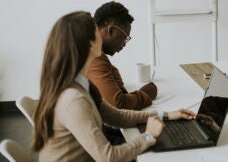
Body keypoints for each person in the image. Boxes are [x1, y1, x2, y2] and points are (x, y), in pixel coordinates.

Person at [32, 11, 196, 161]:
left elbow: (118, 117)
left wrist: (166, 114)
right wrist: (148, 136)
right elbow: (108, 157)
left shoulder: (80, 83)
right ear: (90, 44)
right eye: (97, 32)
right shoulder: (73, 99)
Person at [87, 1, 157, 110]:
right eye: (125, 37)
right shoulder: (94, 55)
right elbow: (118, 104)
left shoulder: (92, 50)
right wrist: (145, 93)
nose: (124, 44)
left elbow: (119, 89)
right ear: (111, 30)